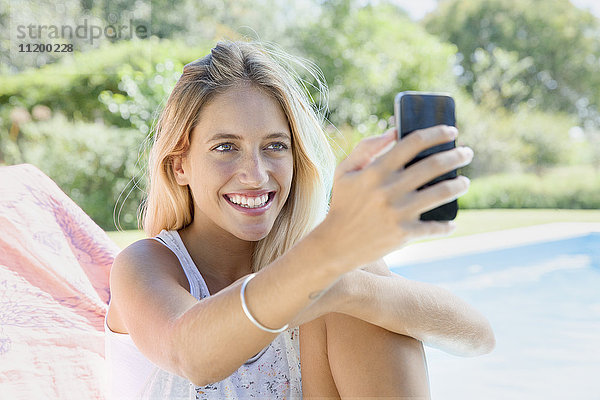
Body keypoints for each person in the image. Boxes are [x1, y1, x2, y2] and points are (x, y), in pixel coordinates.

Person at [104, 39, 495, 399]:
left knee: (355, 292)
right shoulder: (145, 266)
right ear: (179, 167)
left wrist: (346, 285)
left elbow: (479, 338)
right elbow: (191, 356)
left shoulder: (327, 272)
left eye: (275, 146)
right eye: (226, 147)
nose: (255, 174)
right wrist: (333, 249)